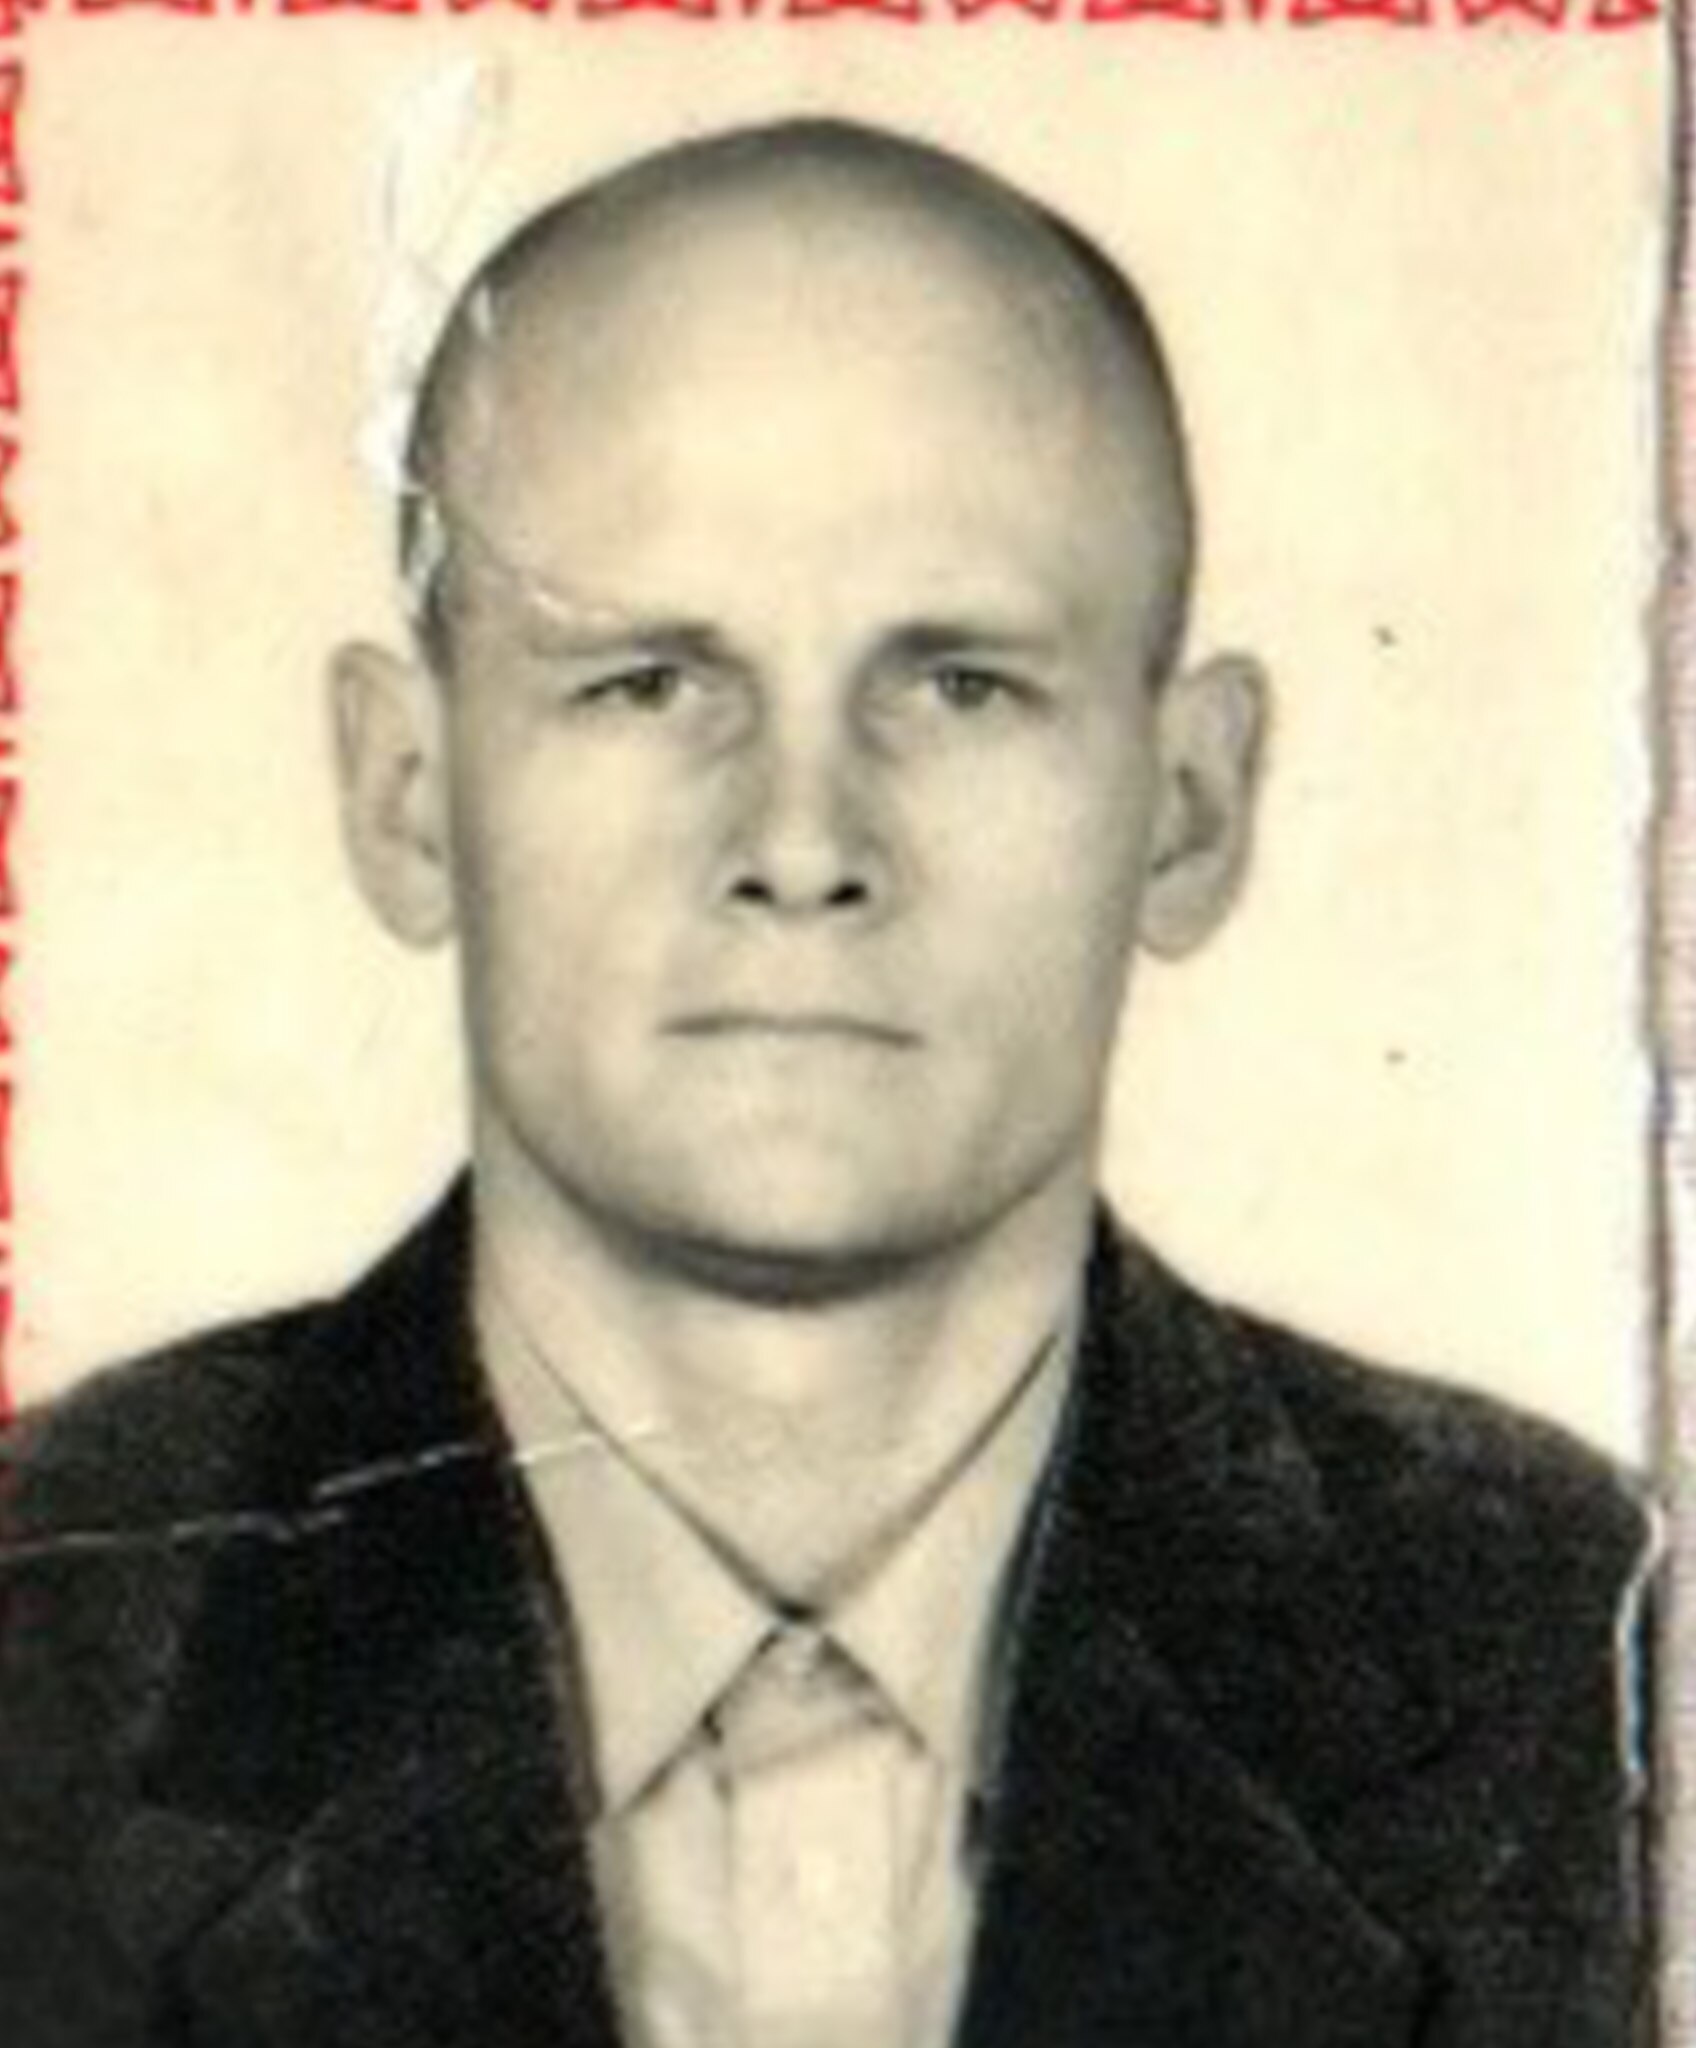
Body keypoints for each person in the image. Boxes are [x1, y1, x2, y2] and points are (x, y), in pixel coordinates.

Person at [0, 118, 1653, 2048]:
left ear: (1190, 806)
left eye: (958, 683)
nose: (802, 840)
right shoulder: (39, 1648)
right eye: (644, 680)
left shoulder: (1604, 1684)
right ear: (408, 791)